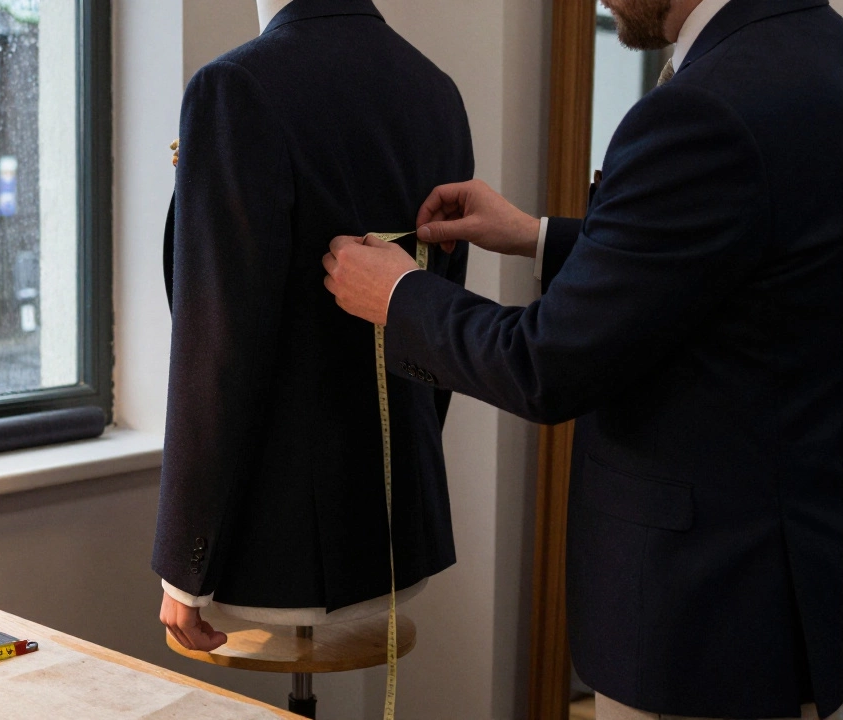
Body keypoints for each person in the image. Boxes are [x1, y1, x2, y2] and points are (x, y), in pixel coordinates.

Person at [322, 0, 843, 717]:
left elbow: (544, 367)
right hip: (800, 589)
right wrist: (538, 237)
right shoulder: (821, 53)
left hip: (707, 625)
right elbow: (748, 268)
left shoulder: (703, 107)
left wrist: (400, 296)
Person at [155, 0, 474, 652]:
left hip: (274, 540)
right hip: (399, 524)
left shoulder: (235, 88)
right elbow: (437, 313)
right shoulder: (437, 89)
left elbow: (216, 343)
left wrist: (186, 562)